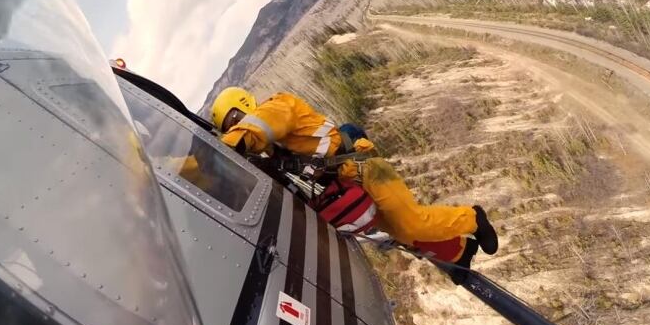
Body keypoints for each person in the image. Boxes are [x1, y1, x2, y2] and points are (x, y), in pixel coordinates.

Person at [210, 87, 499, 270]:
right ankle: (460, 252)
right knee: (402, 233)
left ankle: (473, 219)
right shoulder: (271, 153)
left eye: (235, 117)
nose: (235, 125)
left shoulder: (278, 107)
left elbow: (260, 126)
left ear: (246, 104)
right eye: (228, 125)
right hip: (347, 187)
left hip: (366, 170)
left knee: (412, 222)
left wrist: (225, 148)